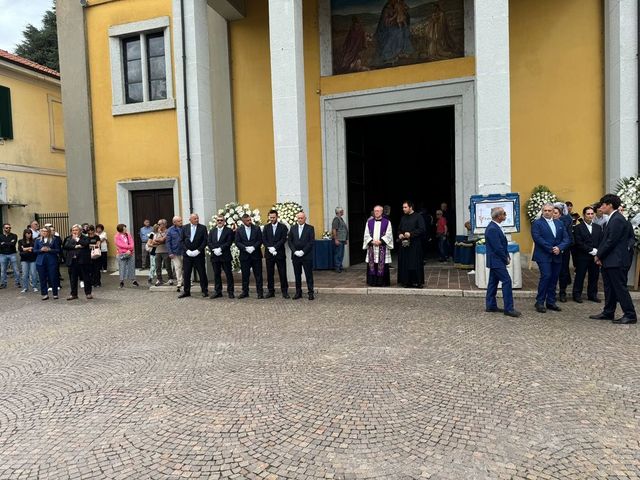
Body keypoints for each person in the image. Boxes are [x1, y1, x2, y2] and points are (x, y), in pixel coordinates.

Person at [590, 194, 637, 324]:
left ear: (610, 205)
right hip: (610, 260)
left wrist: (599, 255)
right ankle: (608, 312)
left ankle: (630, 314)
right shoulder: (614, 218)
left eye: (603, 204)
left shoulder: (617, 219)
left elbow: (611, 241)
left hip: (617, 261)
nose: (601, 207)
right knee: (609, 288)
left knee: (620, 288)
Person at [531, 203, 571, 313]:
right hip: (543, 255)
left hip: (557, 254)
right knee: (546, 276)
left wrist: (559, 247)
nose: (547, 212)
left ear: (553, 211)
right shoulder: (537, 223)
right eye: (545, 210)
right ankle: (539, 302)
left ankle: (551, 302)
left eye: (549, 210)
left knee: (554, 278)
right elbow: (537, 238)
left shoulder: (559, 223)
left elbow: (566, 238)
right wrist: (551, 248)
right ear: (542, 211)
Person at [484, 207, 520, 317]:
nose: (505, 215)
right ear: (498, 216)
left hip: (496, 260)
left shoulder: (496, 227)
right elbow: (498, 247)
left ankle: (491, 305)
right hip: (497, 260)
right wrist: (505, 258)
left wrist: (506, 255)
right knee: (507, 281)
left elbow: (502, 245)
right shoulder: (493, 229)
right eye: (504, 214)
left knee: (493, 283)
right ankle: (509, 308)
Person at [571, 206, 602, 303]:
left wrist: (598, 252)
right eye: (588, 214)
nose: (590, 215)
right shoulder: (578, 228)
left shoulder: (598, 227)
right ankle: (577, 295)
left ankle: (592, 295)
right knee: (580, 276)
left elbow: (601, 240)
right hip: (582, 256)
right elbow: (578, 243)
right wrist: (592, 250)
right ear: (584, 215)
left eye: (592, 213)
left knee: (594, 276)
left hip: (595, 257)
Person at [179, 213, 209, 298]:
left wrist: (198, 250)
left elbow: (205, 240)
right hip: (187, 255)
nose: (197, 220)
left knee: (202, 273)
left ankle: (204, 290)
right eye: (195, 219)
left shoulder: (203, 228)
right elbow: (181, 241)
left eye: (197, 218)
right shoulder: (185, 228)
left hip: (198, 255)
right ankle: (186, 291)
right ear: (190, 220)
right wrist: (187, 250)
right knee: (187, 274)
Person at [363, 205, 394, 286]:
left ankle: (382, 282)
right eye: (375, 211)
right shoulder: (369, 222)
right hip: (372, 247)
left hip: (382, 247)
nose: (376, 212)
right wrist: (371, 241)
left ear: (382, 211)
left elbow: (389, 234)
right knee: (372, 263)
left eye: (378, 211)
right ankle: (372, 282)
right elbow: (366, 234)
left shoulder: (387, 222)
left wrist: (381, 241)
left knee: (383, 264)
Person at [235, 213, 264, 299]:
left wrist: (254, 247)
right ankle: (245, 292)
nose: (249, 221)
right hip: (245, 256)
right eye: (247, 220)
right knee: (245, 275)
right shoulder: (239, 230)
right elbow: (237, 242)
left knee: (258, 275)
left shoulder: (257, 228)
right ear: (243, 221)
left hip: (256, 255)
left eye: (250, 220)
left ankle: (260, 292)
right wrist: (245, 248)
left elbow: (260, 240)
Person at [397, 201, 426, 288]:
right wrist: (400, 234)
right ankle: (406, 281)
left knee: (414, 263)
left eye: (405, 207)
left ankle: (417, 282)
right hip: (404, 244)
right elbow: (399, 229)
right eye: (403, 207)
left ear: (411, 207)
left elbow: (422, 229)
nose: (403, 209)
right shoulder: (403, 218)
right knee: (405, 263)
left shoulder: (418, 216)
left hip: (415, 244)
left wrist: (411, 234)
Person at [288, 211, 315, 300]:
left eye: (301, 218)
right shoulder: (293, 228)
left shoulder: (310, 228)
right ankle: (298, 292)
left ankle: (310, 293)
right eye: (298, 218)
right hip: (296, 256)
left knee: (308, 275)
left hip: (306, 256)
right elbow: (290, 241)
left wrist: (303, 251)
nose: (300, 219)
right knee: (297, 275)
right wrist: (295, 251)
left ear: (305, 218)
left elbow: (311, 242)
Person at [262, 209, 289, 298]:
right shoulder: (266, 227)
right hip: (269, 253)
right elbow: (264, 239)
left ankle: (284, 291)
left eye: (273, 217)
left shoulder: (283, 227)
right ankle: (271, 291)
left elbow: (283, 239)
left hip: (279, 253)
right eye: (270, 217)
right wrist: (270, 248)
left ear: (277, 217)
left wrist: (275, 247)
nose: (272, 219)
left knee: (282, 273)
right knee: (270, 273)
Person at [208, 214, 235, 299]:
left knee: (228, 274)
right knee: (216, 274)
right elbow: (209, 242)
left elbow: (229, 242)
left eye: (221, 220)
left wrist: (220, 249)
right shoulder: (212, 231)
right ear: (216, 221)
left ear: (224, 222)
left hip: (225, 255)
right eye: (218, 220)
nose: (219, 222)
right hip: (215, 256)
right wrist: (214, 250)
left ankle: (230, 291)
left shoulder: (229, 231)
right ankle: (218, 291)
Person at [64, 224, 93, 300]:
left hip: (83, 261)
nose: (74, 232)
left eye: (76, 230)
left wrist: (77, 239)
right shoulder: (69, 238)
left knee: (86, 277)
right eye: (73, 230)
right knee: (73, 278)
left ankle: (88, 293)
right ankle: (73, 294)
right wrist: (76, 246)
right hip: (72, 261)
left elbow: (85, 244)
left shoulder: (85, 237)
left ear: (80, 231)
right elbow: (66, 246)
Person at [554, 202, 574, 302]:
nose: (553, 214)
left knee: (563, 272)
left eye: (556, 212)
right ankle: (551, 292)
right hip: (550, 251)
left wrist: (561, 247)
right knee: (551, 273)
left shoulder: (565, 223)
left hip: (563, 251)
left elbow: (570, 238)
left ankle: (562, 292)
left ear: (560, 214)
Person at [34, 227, 61, 300]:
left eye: (46, 231)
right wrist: (40, 250)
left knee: (53, 277)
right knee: (42, 278)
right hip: (41, 261)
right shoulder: (37, 240)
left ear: (49, 232)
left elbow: (58, 250)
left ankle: (55, 293)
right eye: (43, 231)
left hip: (51, 261)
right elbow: (34, 250)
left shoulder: (54, 239)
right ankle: (44, 294)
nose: (44, 232)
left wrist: (50, 249)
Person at [114, 224, 139, 288]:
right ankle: (121, 281)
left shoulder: (128, 235)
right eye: (124, 228)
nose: (126, 229)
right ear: (121, 229)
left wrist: (130, 250)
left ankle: (134, 280)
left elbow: (132, 243)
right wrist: (127, 250)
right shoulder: (117, 236)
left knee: (131, 267)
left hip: (130, 253)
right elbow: (120, 245)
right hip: (122, 254)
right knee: (122, 267)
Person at [153, 219, 175, 286]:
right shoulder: (156, 232)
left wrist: (159, 240)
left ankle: (170, 279)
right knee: (158, 266)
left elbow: (163, 240)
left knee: (168, 266)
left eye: (159, 224)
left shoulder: (168, 231)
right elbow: (153, 241)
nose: (158, 225)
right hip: (158, 251)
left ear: (164, 224)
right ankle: (159, 279)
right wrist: (159, 241)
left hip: (166, 251)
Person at [166, 216, 184, 292]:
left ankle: (188, 281)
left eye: (181, 220)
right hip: (175, 252)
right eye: (179, 221)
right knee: (178, 267)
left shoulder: (185, 228)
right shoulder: (170, 230)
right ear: (174, 222)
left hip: (184, 251)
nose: (181, 222)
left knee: (187, 267)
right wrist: (170, 252)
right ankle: (179, 282)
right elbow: (168, 242)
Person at [0, 223, 20, 289]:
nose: (8, 229)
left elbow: (13, 244)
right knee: (3, 270)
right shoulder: (0, 236)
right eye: (7, 228)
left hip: (12, 254)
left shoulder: (14, 235)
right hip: (3, 254)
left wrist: (4, 243)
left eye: (9, 228)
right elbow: (1, 245)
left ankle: (17, 283)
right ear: (3, 228)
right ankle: (3, 284)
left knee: (16, 269)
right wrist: (9, 243)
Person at [18, 229, 38, 293]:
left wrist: (25, 249)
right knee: (24, 274)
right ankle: (25, 287)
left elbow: (34, 249)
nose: (29, 234)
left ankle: (34, 286)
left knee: (33, 273)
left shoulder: (34, 241)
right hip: (24, 259)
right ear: (24, 234)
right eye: (27, 233)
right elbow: (20, 249)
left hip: (33, 259)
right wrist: (29, 248)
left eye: (30, 233)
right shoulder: (20, 241)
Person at [331, 207, 349, 273]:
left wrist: (346, 239)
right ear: (339, 212)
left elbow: (344, 229)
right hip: (338, 239)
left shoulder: (341, 219)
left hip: (342, 239)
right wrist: (336, 239)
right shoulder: (336, 219)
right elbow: (334, 229)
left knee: (341, 254)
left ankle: (340, 266)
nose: (343, 212)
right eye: (342, 211)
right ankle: (337, 267)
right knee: (338, 254)